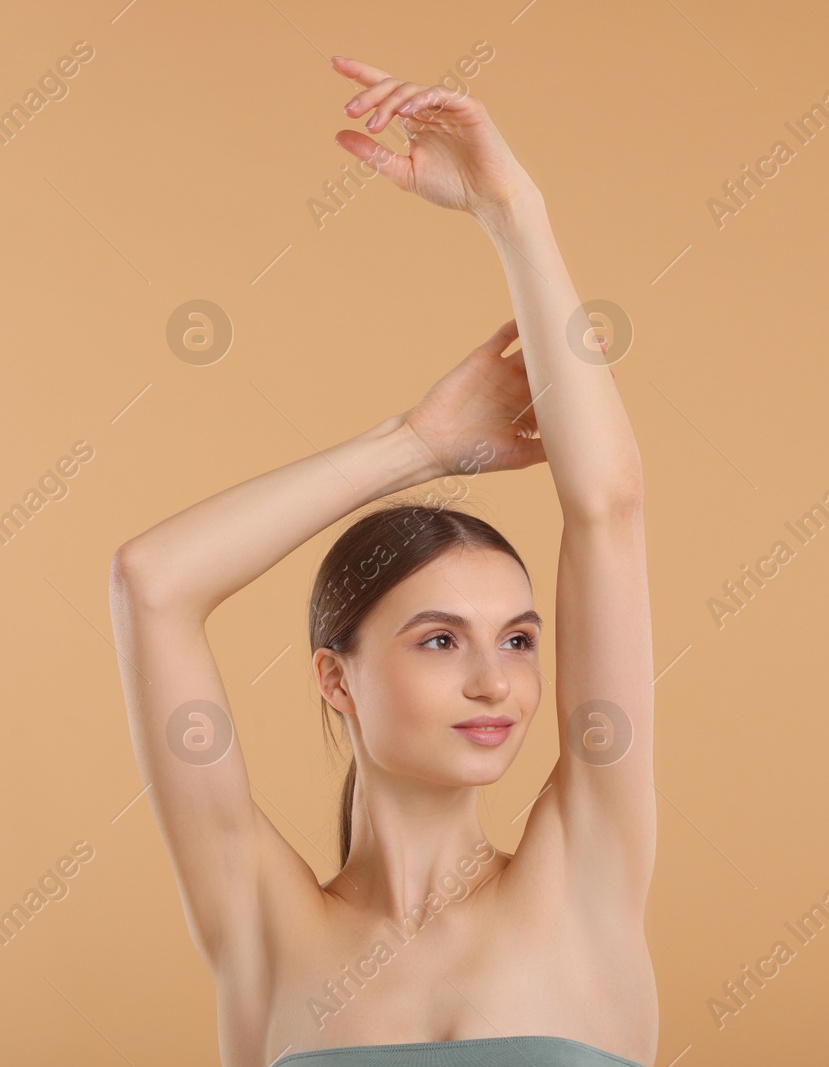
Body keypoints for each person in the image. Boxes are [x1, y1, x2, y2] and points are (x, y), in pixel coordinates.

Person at [108, 55, 657, 1067]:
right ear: (335, 673)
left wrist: (511, 208)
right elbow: (153, 582)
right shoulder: (261, 923)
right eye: (440, 638)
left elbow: (607, 506)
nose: (497, 680)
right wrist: (412, 443)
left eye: (519, 638)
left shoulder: (585, 866)